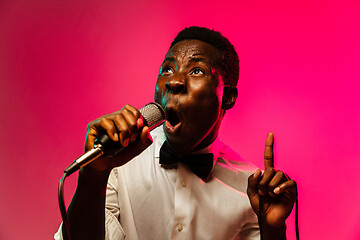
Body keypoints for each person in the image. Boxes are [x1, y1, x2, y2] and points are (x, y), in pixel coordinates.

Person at [55, 26, 297, 240]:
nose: (174, 82)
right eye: (168, 69)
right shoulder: (116, 163)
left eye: (197, 71)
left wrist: (273, 231)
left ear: (228, 98)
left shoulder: (252, 188)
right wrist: (93, 176)